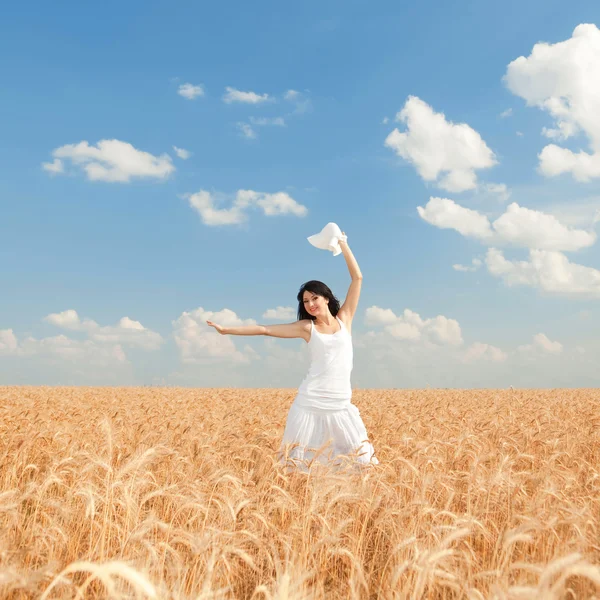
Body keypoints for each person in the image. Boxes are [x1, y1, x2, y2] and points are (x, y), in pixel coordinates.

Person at [206, 232, 378, 473]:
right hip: (310, 403)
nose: (310, 304)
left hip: (340, 404)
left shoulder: (345, 320)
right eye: (305, 301)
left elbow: (357, 278)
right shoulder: (307, 328)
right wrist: (226, 330)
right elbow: (265, 329)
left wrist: (343, 243)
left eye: (314, 298)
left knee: (361, 463)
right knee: (300, 466)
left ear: (326, 298)